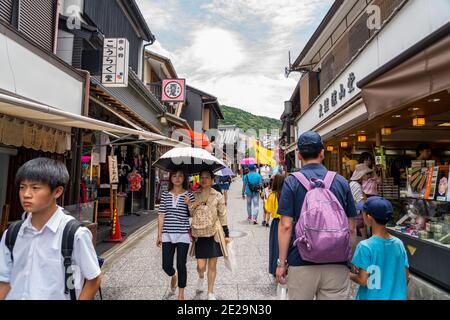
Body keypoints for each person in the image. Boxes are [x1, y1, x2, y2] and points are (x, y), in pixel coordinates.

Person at [0, 158, 101, 300]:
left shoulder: (74, 234)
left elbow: (94, 279)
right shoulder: (12, 233)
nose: (26, 194)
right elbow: (4, 280)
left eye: (35, 188)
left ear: (57, 191)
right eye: (22, 187)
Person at [276, 131, 357, 300]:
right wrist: (350, 258)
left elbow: (285, 225)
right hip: (337, 262)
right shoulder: (341, 181)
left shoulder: (292, 181)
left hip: (301, 260)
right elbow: (351, 227)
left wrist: (281, 263)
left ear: (299, 155)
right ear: (322, 152)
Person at [350, 197, 410, 300]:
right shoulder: (398, 244)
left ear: (368, 217)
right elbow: (406, 278)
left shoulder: (365, 246)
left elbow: (363, 280)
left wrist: (349, 275)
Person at [186, 170, 230, 300]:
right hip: (200, 233)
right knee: (201, 266)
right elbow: (191, 214)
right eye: (202, 177)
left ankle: (210, 292)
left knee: (212, 265)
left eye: (207, 177)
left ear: (212, 180)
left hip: (214, 232)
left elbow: (222, 214)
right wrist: (190, 205)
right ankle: (201, 277)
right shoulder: (195, 194)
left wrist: (226, 233)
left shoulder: (217, 195)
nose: (203, 180)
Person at [156, 170, 194, 300]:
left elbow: (193, 214)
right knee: (166, 266)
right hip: (167, 233)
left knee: (181, 264)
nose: (177, 178)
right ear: (171, 178)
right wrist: (159, 234)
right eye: (174, 176)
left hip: (183, 233)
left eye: (180, 176)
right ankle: (173, 276)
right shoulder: (166, 195)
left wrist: (189, 204)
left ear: (184, 178)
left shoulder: (189, 194)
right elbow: (161, 215)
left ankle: (181, 294)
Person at [265, 174, 285, 278]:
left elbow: (268, 209)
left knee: (275, 246)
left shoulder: (272, 195)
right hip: (287, 221)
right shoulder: (286, 194)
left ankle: (274, 268)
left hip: (276, 222)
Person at [350, 164, 373, 240]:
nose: (369, 176)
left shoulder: (354, 184)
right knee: (363, 238)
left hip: (356, 215)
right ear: (361, 174)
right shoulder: (356, 185)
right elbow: (360, 204)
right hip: (358, 216)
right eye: (367, 174)